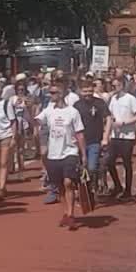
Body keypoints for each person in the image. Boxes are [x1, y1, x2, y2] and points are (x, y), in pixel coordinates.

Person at [37, 85, 86, 231]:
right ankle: (66, 212)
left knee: (68, 182)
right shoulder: (49, 110)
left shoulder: (73, 112)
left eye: (54, 93)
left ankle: (71, 215)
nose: (51, 95)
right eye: (50, 93)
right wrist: (27, 110)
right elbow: (37, 122)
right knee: (59, 186)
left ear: (62, 93)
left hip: (70, 151)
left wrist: (83, 155)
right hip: (53, 153)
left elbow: (80, 134)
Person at [73, 80, 109, 203]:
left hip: (95, 141)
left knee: (92, 167)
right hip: (80, 142)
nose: (87, 93)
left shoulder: (99, 103)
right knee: (81, 168)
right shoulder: (77, 105)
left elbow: (108, 118)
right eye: (85, 91)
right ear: (80, 91)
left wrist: (105, 137)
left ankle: (93, 188)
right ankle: (84, 191)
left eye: (90, 91)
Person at [105, 77, 136, 202]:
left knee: (126, 163)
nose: (115, 88)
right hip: (115, 136)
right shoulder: (113, 99)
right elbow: (110, 115)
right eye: (113, 86)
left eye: (117, 85)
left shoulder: (131, 99)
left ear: (123, 85)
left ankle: (128, 191)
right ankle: (118, 186)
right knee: (109, 162)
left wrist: (124, 123)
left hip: (128, 136)